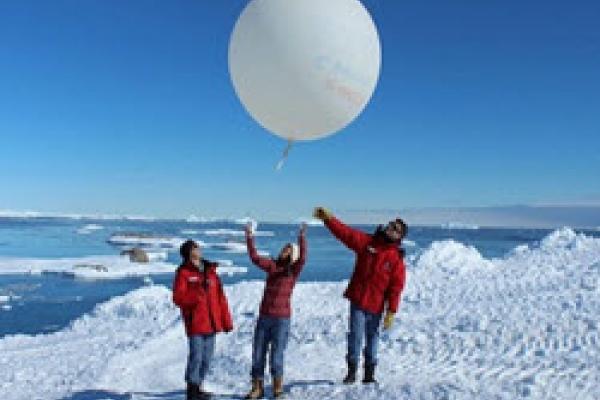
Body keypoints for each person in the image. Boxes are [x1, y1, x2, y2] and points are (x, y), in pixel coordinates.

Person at [313, 207, 407, 384]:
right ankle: (351, 371)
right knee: (355, 336)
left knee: (372, 339)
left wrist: (391, 311)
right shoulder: (368, 243)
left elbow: (396, 287)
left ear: (399, 237)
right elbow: (346, 234)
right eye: (391, 225)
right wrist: (328, 219)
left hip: (376, 306)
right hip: (358, 301)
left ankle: (369, 374)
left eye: (396, 229)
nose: (391, 229)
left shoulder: (396, 259)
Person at [244, 222, 307, 399]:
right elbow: (254, 257)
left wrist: (301, 238)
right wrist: (249, 237)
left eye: (288, 249)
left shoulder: (293, 272)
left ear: (292, 255)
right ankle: (257, 388)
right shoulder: (272, 267)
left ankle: (277, 389)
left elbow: (303, 259)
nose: (283, 250)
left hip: (281, 320)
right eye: (284, 247)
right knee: (258, 355)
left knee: (276, 356)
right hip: (264, 318)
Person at [173, 240, 233, 400]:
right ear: (188, 252)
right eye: (195, 247)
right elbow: (178, 298)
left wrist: (226, 321)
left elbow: (221, 298)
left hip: (212, 323)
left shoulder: (211, 271)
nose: (199, 249)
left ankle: (198, 386)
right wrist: (197, 293)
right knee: (196, 357)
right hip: (196, 323)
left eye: (198, 246)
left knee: (206, 358)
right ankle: (191, 390)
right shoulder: (183, 272)